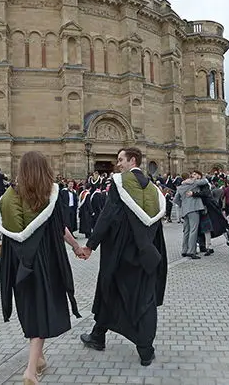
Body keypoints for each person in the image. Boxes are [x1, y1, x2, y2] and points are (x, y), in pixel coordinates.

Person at [0, 151, 83, 385]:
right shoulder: (48, 196)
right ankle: (30, 371)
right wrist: (76, 247)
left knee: (31, 311)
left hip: (18, 265)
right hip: (45, 263)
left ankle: (40, 360)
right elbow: (61, 229)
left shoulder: (8, 198)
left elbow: (13, 235)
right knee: (41, 314)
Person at [80, 147, 167, 367]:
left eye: (121, 160)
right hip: (146, 255)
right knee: (144, 299)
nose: (117, 164)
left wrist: (90, 245)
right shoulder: (154, 189)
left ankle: (99, 336)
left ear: (132, 160)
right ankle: (143, 350)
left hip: (121, 254)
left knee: (110, 289)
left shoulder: (120, 183)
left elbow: (107, 216)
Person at [172, 172, 209, 259]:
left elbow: (176, 199)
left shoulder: (180, 187)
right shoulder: (194, 183)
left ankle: (184, 250)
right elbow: (205, 181)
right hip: (194, 209)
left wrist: (183, 205)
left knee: (186, 231)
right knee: (193, 230)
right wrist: (195, 179)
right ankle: (191, 251)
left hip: (185, 210)